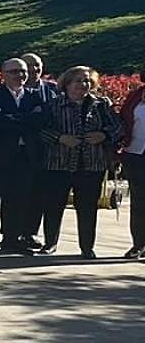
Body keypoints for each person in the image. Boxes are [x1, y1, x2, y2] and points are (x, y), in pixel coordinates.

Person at [37, 66, 123, 258]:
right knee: (53, 205)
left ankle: (87, 247)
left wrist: (103, 135)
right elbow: (40, 130)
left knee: (87, 208)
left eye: (87, 81)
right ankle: (50, 243)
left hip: (91, 165)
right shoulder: (53, 104)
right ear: (67, 83)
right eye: (78, 80)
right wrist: (60, 138)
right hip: (59, 164)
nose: (83, 85)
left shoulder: (101, 104)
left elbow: (118, 127)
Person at [0, 58, 43, 255]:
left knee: (18, 199)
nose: (19, 75)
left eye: (22, 71)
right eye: (14, 71)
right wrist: (26, 118)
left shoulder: (35, 97)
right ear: (3, 74)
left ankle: (11, 239)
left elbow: (40, 120)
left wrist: (12, 117)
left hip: (25, 156)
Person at [22, 52, 59, 248]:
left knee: (39, 195)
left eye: (37, 65)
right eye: (28, 66)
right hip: (21, 151)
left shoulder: (53, 90)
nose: (33, 70)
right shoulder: (16, 90)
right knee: (20, 194)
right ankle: (14, 233)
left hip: (49, 150)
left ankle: (31, 233)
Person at [117, 70, 145, 259]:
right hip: (135, 154)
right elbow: (124, 121)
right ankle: (139, 244)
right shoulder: (135, 96)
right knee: (139, 202)